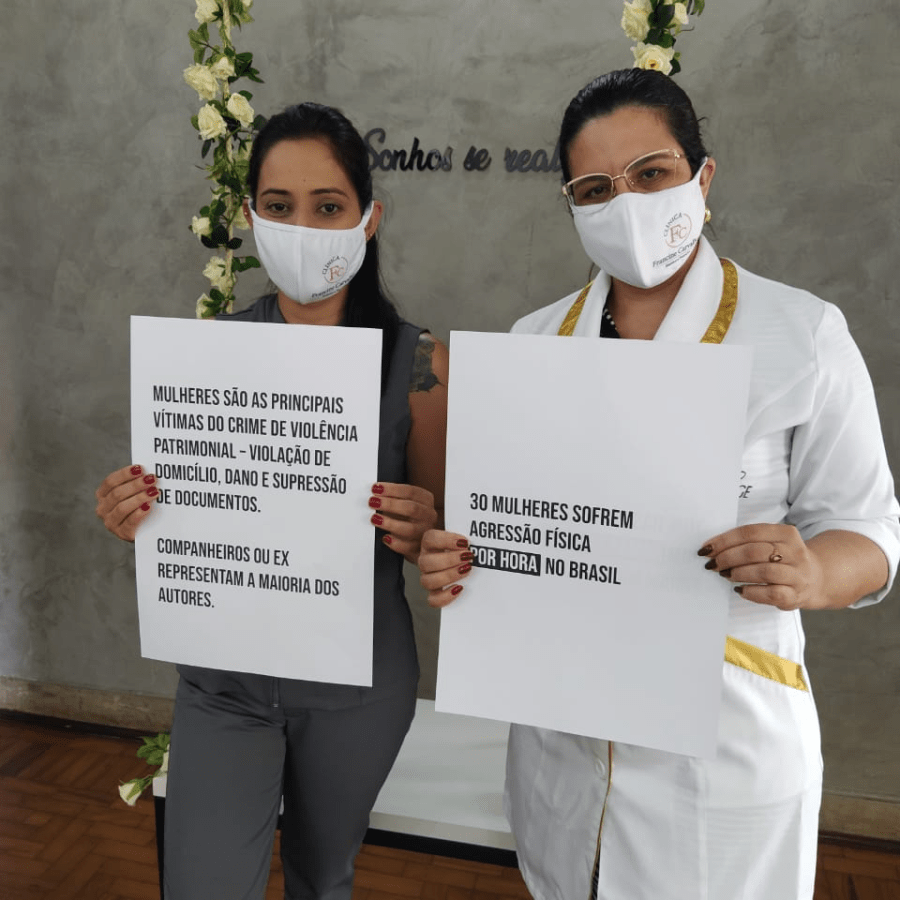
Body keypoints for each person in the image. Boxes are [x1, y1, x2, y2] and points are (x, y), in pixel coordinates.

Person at [418, 69, 900, 900]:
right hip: (562, 739)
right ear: (574, 208)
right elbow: (510, 533)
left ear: (702, 178)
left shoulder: (801, 335)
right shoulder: (534, 342)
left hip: (723, 746)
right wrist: (457, 562)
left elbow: (873, 533)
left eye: (651, 173)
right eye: (596, 189)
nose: (627, 202)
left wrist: (815, 572)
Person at [95, 102, 448, 900]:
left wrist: (426, 526)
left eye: (328, 206)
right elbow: (183, 504)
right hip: (225, 683)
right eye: (279, 206)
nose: (303, 228)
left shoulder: (420, 365)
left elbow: (448, 541)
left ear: (369, 218)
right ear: (251, 216)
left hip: (358, 687)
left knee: (323, 879)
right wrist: (138, 512)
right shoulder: (208, 356)